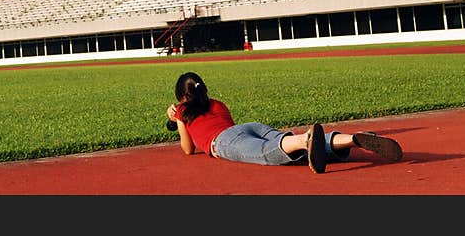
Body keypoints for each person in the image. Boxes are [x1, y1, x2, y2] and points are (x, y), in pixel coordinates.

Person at [165, 71, 403, 174]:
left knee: (266, 153)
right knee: (282, 141)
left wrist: (178, 120)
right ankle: (351, 139)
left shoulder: (184, 111)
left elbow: (188, 149)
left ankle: (307, 139)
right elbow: (230, 125)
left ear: (182, 97)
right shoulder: (218, 103)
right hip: (247, 127)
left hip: (223, 141)